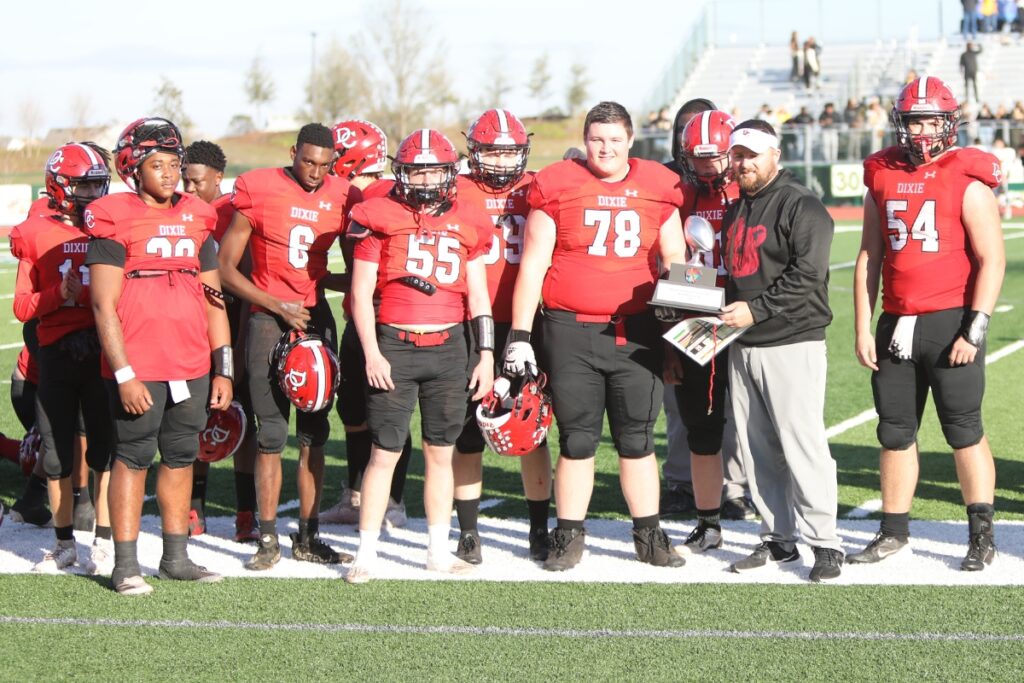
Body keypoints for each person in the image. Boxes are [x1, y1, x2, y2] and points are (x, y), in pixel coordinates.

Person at [506, 101, 688, 571]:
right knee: (578, 439)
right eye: (596, 139)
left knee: (637, 439)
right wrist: (520, 334)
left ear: (631, 141)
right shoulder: (558, 185)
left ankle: (648, 535)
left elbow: (677, 258)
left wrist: (683, 330)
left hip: (637, 332)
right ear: (585, 141)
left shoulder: (659, 187)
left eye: (614, 139)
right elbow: (534, 264)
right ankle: (568, 535)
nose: (605, 148)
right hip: (570, 331)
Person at [850, 76, 1005, 571]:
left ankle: (981, 534)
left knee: (964, 429)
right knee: (894, 431)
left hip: (949, 321)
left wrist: (974, 329)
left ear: (948, 122)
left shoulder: (967, 176)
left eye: (930, 119)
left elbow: (992, 260)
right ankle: (893, 530)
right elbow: (869, 255)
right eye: (914, 119)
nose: (921, 129)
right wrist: (860, 324)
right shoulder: (882, 174)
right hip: (896, 323)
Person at [85, 117, 232, 595]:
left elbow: (214, 298)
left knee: (181, 457)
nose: (170, 173)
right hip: (140, 364)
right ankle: (125, 564)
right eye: (158, 164)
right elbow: (103, 304)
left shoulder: (197, 215)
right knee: (132, 457)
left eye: (174, 163)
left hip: (190, 361)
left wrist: (222, 365)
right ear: (133, 169)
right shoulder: (114, 216)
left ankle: (175, 556)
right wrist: (124, 372)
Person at [344, 129, 495, 584]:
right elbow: (359, 292)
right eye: (419, 168)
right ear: (402, 171)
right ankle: (366, 553)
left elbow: (480, 298)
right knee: (383, 452)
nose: (427, 178)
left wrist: (485, 355)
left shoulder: (470, 218)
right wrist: (371, 352)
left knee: (440, 454)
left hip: (450, 348)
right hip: (395, 345)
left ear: (450, 173)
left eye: (434, 168)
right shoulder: (379, 214)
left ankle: (436, 550)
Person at [218, 123, 357, 570]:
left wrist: (324, 282)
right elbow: (224, 268)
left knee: (315, 434)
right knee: (272, 435)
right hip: (266, 320)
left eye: (324, 164)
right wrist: (276, 304)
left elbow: (357, 267)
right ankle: (268, 537)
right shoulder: (258, 187)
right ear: (293, 152)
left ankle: (309, 535)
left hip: (315, 319)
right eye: (308, 161)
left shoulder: (346, 195)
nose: (315, 172)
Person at [719, 119, 842, 582]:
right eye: (737, 155)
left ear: (775, 154)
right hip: (743, 344)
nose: (743, 162)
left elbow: (807, 275)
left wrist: (756, 310)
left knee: (802, 444)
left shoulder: (801, 204)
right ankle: (779, 537)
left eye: (752, 154)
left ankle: (825, 542)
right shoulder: (737, 209)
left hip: (792, 341)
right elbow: (735, 277)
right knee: (757, 450)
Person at [450, 109, 553, 565]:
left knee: (532, 426)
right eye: (492, 150)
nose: (500, 159)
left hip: (527, 320)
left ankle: (537, 527)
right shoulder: (453, 187)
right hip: (469, 320)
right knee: (467, 432)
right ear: (474, 151)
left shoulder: (540, 186)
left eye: (510, 150)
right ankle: (468, 531)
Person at [11, 142, 116, 575]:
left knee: (106, 452)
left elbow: (121, 294)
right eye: (85, 185)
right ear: (60, 187)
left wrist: (86, 296)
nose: (93, 193)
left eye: (98, 184)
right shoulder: (35, 232)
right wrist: (60, 295)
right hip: (55, 355)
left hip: (100, 352)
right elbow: (21, 307)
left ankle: (106, 542)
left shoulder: (108, 226)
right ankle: (64, 543)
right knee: (55, 456)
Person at [662, 98, 755, 523]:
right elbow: (674, 262)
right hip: (695, 303)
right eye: (695, 158)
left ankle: (735, 487)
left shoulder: (749, 186)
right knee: (692, 409)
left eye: (713, 156)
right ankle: (686, 486)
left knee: (740, 406)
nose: (706, 167)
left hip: (743, 305)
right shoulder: (675, 190)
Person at [319, 119, 411, 530]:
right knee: (357, 409)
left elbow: (367, 270)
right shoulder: (376, 191)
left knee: (385, 411)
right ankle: (358, 496)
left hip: (383, 316)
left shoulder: (371, 198)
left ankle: (390, 502)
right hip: (369, 314)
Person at [181, 140, 260, 542]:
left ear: (218, 179)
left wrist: (240, 349)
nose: (189, 189)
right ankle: (195, 508)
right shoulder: (176, 213)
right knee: (198, 421)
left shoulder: (234, 212)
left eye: (197, 182)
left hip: (231, 321)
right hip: (193, 330)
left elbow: (242, 283)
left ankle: (246, 511)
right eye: (186, 181)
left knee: (243, 421)